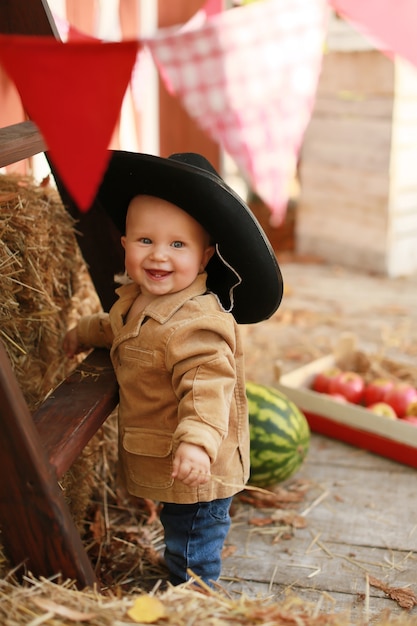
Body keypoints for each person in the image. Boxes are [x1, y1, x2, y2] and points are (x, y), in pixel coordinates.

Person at [64, 151, 283, 587]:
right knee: (179, 527)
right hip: (172, 458)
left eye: (177, 245)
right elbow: (119, 328)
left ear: (204, 258)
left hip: (199, 460)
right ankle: (181, 573)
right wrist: (81, 333)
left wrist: (198, 444)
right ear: (124, 245)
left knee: (193, 539)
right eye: (144, 241)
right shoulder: (137, 299)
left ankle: (196, 598)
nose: (158, 256)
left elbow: (208, 388)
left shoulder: (197, 324)